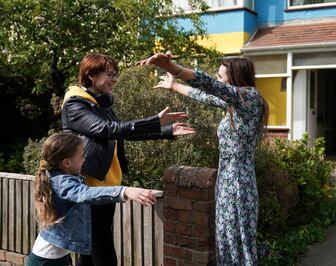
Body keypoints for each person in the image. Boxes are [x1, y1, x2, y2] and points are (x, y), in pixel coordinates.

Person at [61, 53, 195, 266]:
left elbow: (122, 132)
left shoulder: (100, 105)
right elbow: (106, 130)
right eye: (109, 74)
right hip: (88, 188)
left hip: (105, 185)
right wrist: (153, 121)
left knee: (89, 256)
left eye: (116, 74)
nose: (114, 79)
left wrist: (166, 130)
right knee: (104, 256)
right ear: (91, 75)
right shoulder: (75, 105)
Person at [138, 53, 269, 265]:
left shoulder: (249, 97)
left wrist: (174, 68)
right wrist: (173, 85)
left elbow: (209, 86)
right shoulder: (234, 103)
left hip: (238, 182)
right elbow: (204, 95)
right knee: (227, 237)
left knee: (237, 238)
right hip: (228, 178)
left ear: (235, 77)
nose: (217, 80)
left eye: (221, 76)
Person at [25, 133, 157, 266]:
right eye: (82, 156)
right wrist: (125, 191)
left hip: (57, 257)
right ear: (67, 163)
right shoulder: (62, 182)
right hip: (46, 261)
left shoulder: (63, 176)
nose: (84, 159)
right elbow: (84, 193)